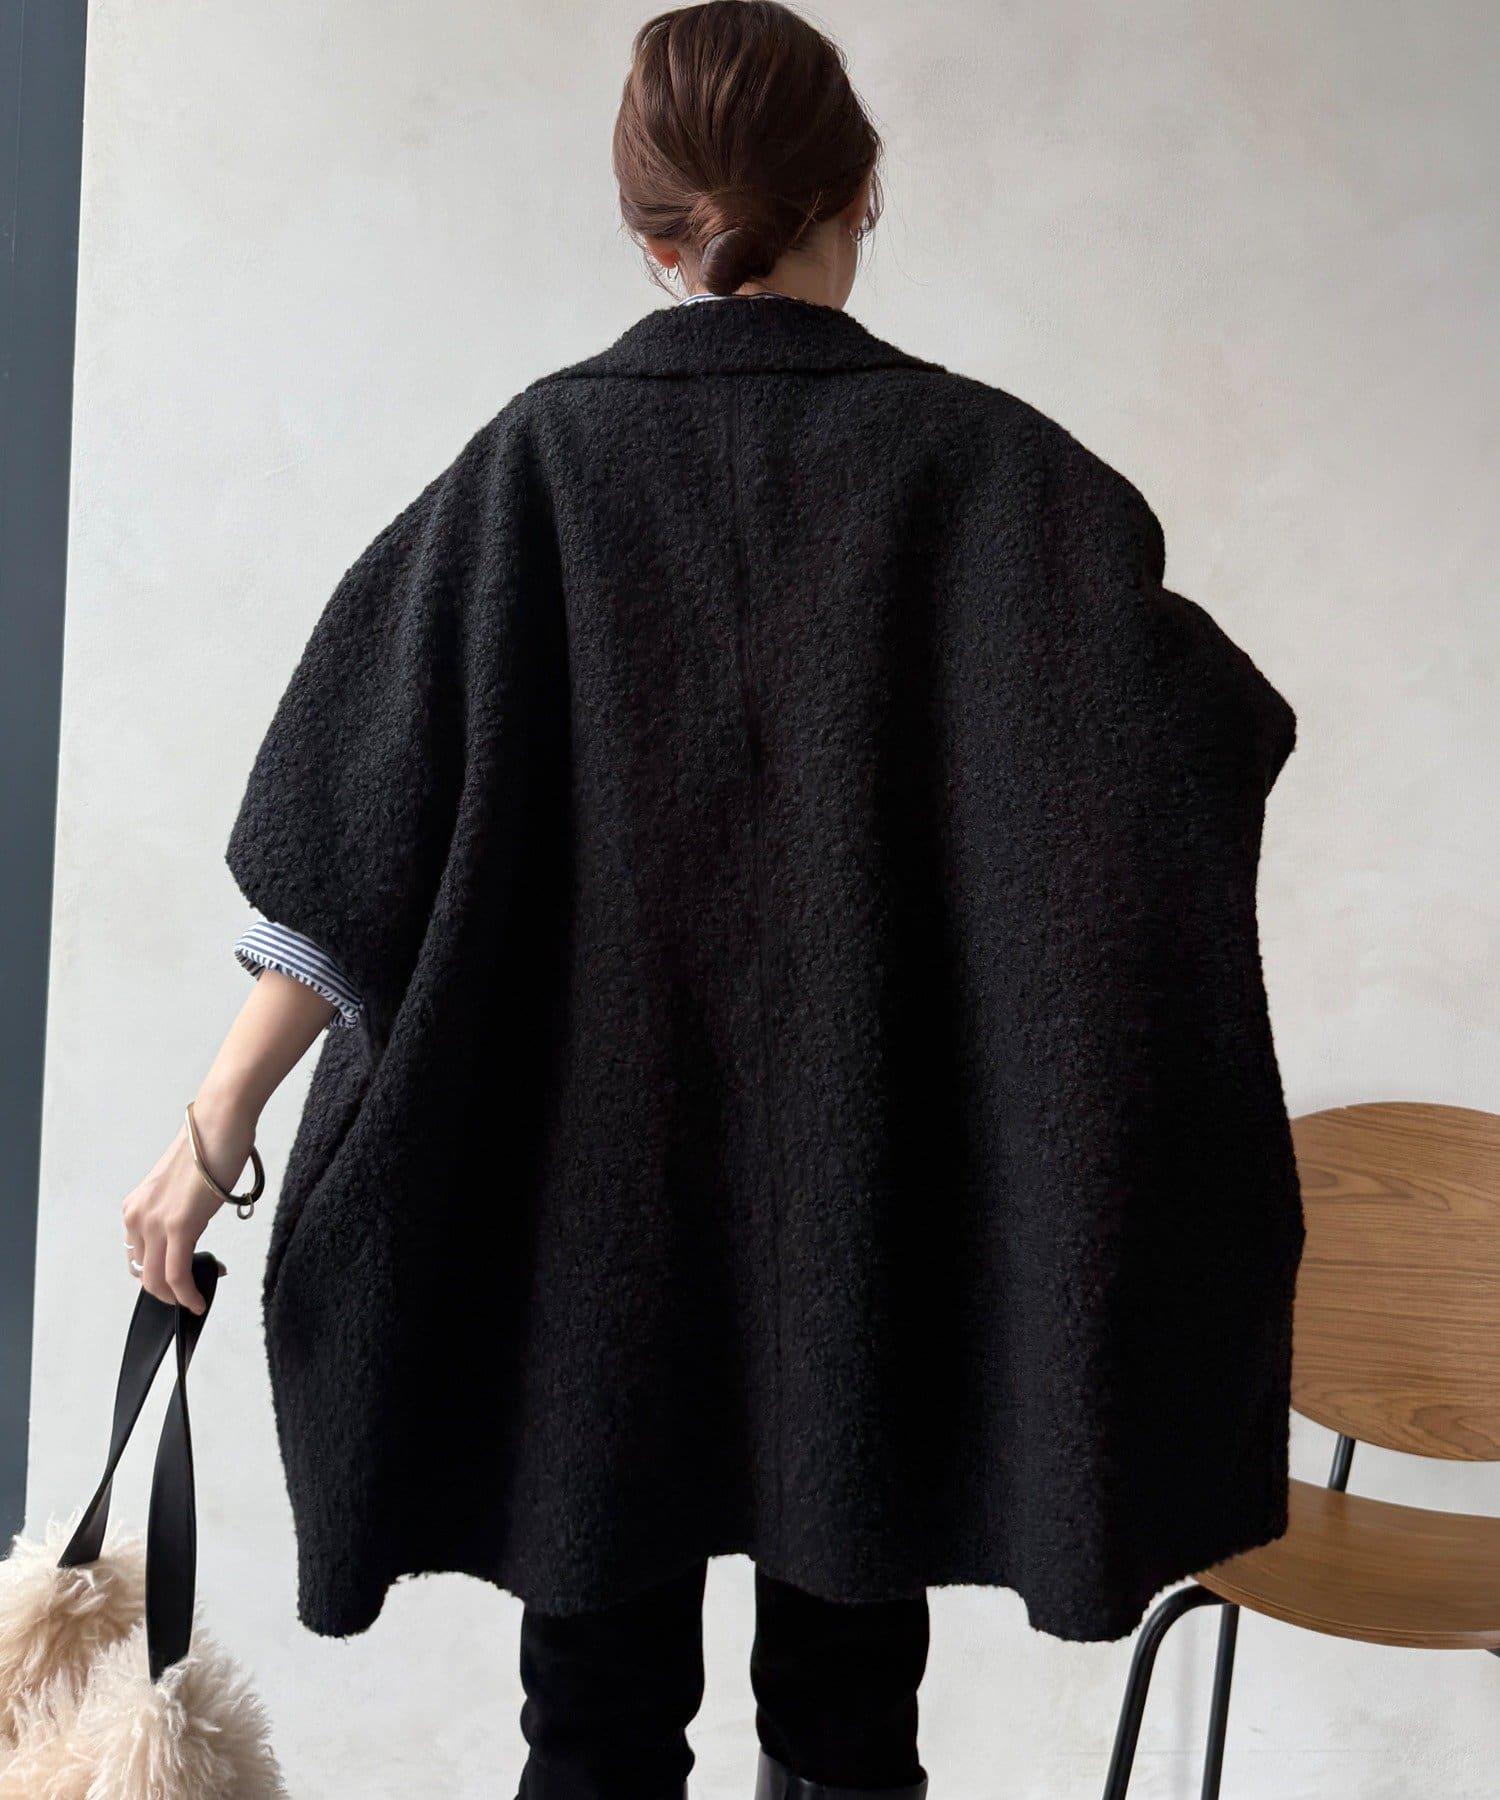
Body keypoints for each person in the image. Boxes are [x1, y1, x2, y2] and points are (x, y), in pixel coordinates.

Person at [118, 3, 1303, 1795]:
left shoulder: (535, 471)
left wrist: (212, 1129)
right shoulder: (999, 479)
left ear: (647, 229)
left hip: (588, 1245)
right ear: (863, 189)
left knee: (591, 1732)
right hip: (881, 1233)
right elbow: (1195, 753)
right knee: (849, 1731)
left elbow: (356, 838)